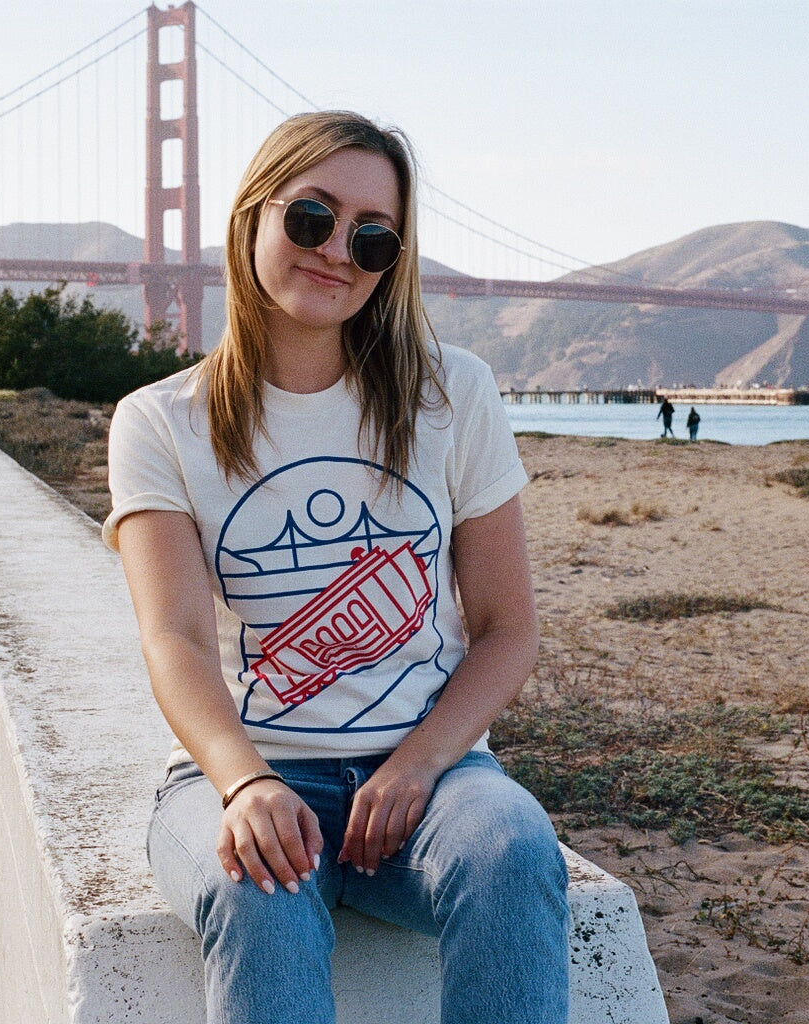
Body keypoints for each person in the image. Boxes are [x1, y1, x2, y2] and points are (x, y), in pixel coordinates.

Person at [103, 111, 569, 1024]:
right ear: (252, 220)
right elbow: (175, 638)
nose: (338, 253)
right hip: (239, 770)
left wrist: (419, 763)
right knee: (254, 886)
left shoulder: (453, 392)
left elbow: (509, 630)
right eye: (311, 218)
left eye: (373, 236)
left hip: (435, 779)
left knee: (513, 847)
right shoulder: (159, 420)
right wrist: (246, 783)